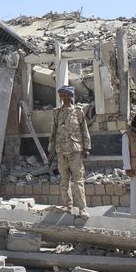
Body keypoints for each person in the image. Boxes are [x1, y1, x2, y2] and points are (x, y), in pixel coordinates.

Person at [47, 86, 92, 217]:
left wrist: (86, 147)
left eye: (68, 95)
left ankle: (82, 208)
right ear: (60, 97)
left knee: (78, 181)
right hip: (61, 151)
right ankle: (68, 205)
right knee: (64, 180)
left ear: (72, 96)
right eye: (63, 96)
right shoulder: (56, 112)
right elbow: (53, 131)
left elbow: (84, 130)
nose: (66, 98)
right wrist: (51, 149)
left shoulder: (78, 112)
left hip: (75, 151)